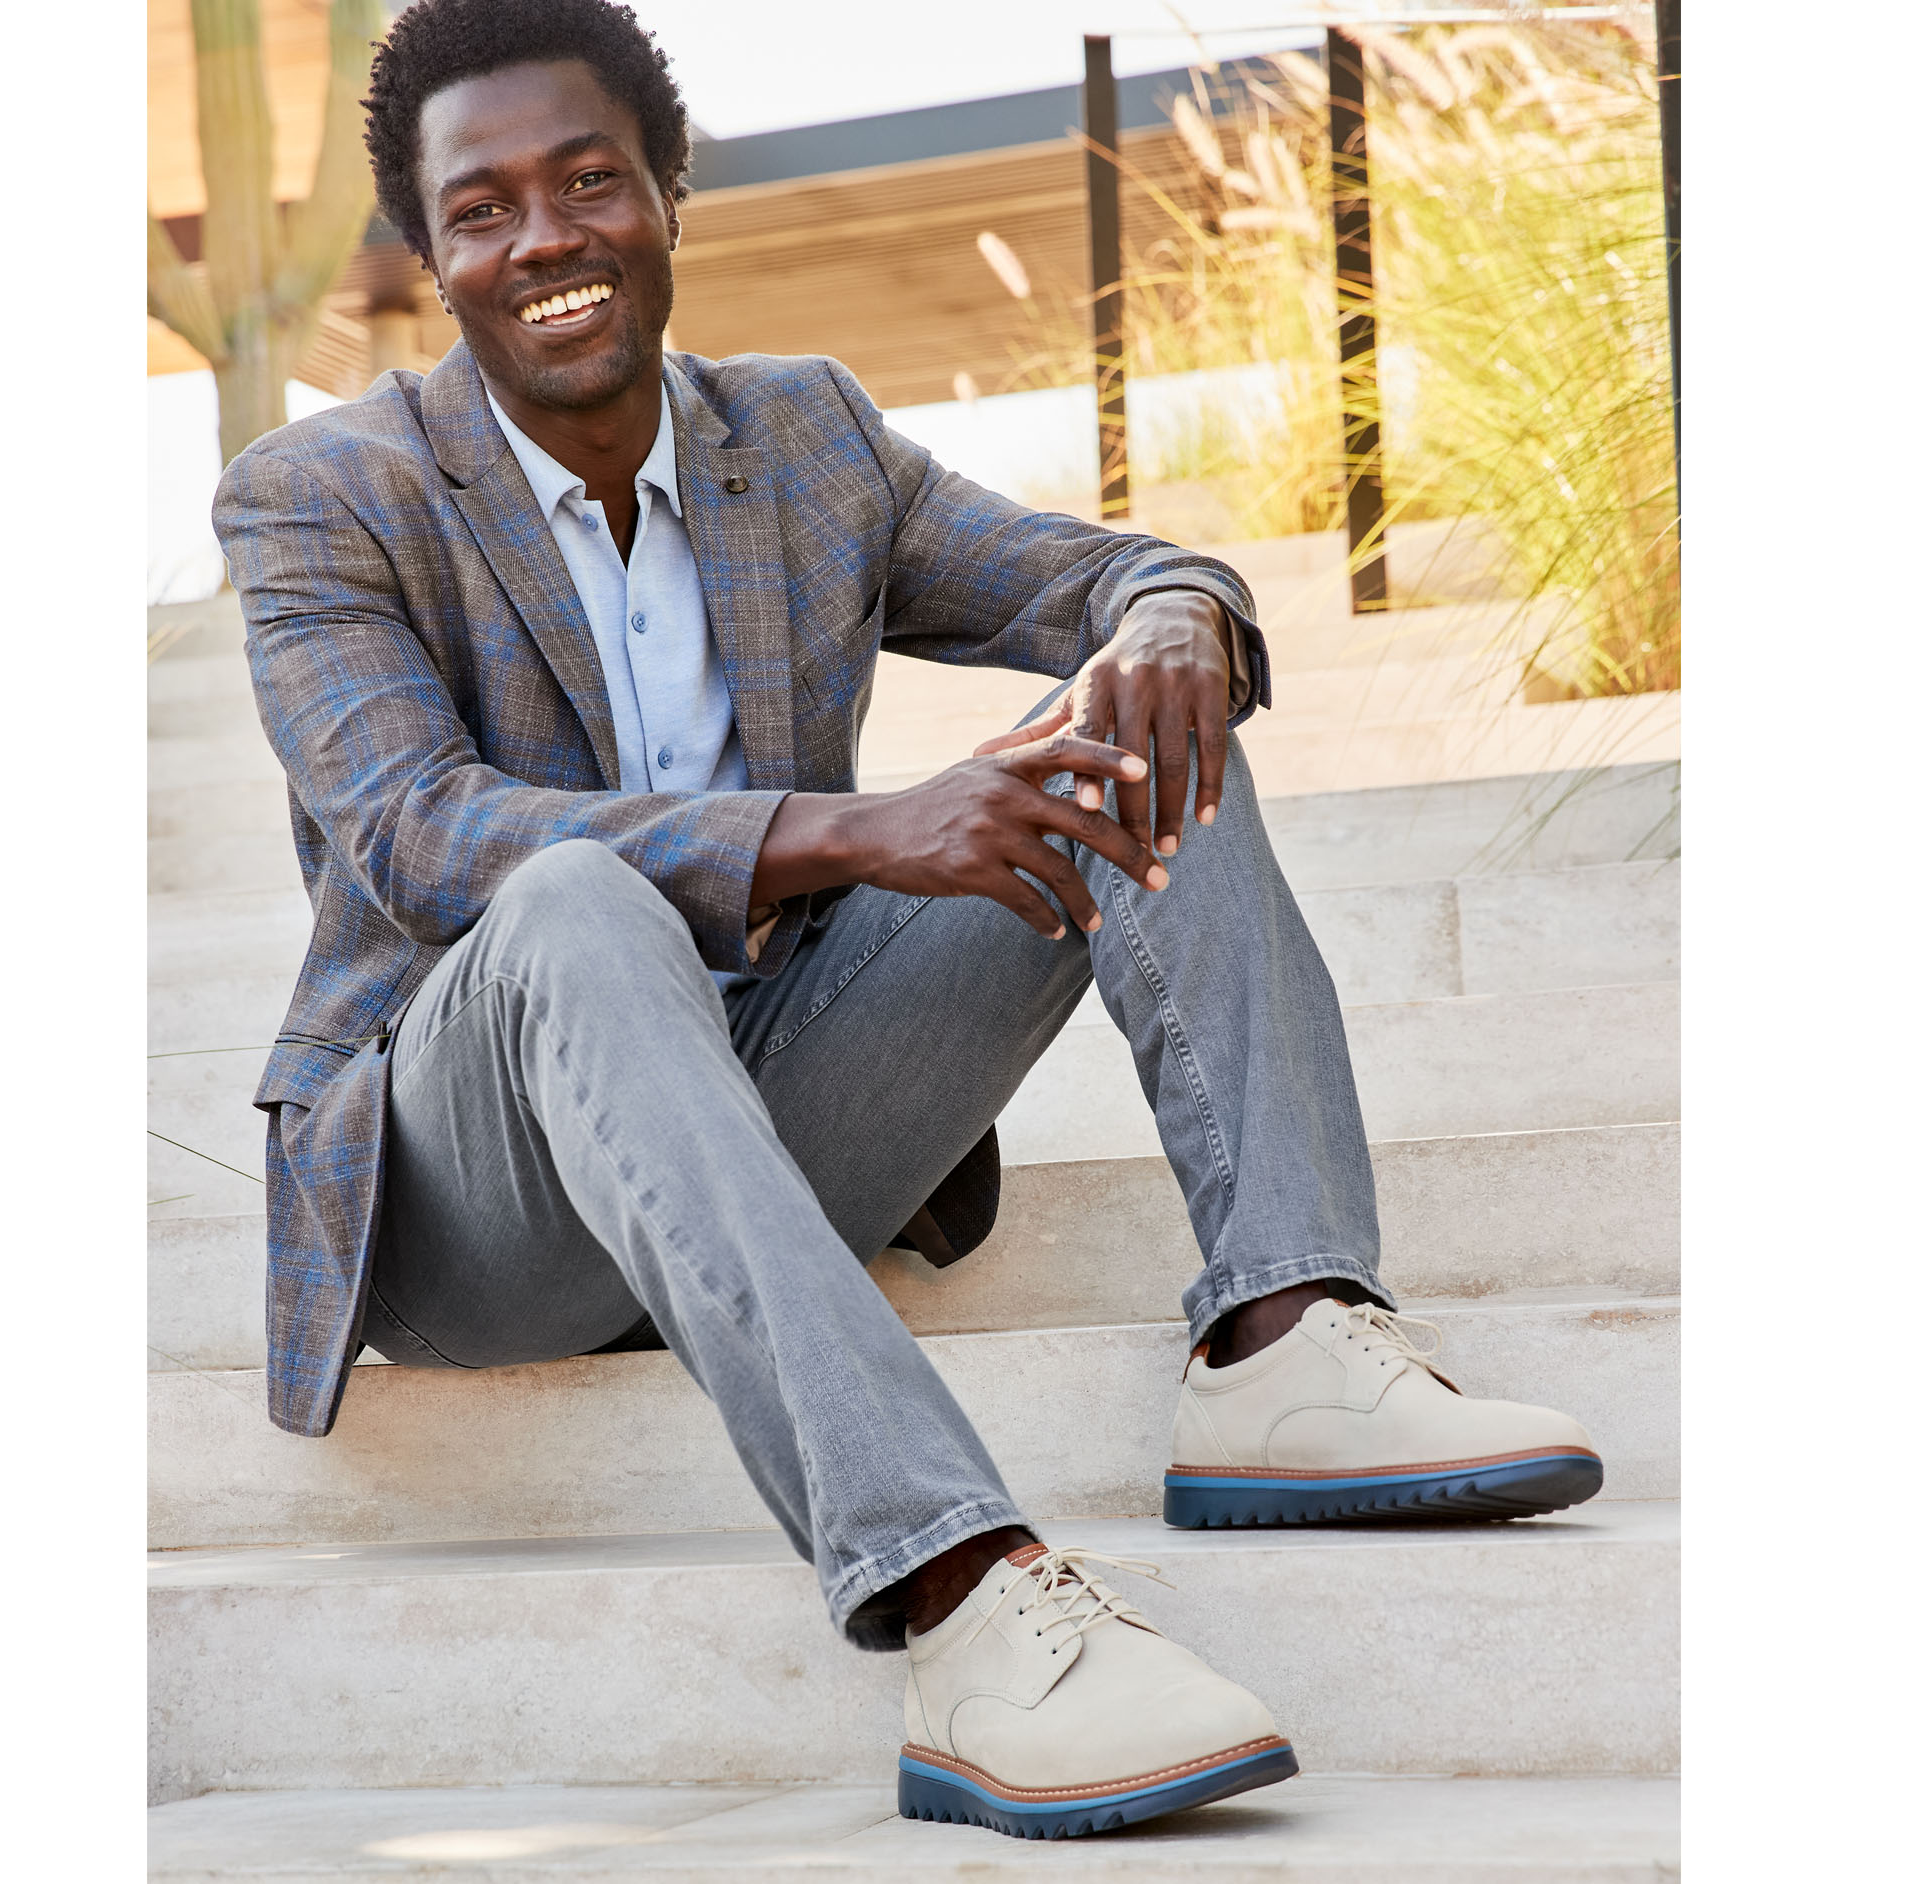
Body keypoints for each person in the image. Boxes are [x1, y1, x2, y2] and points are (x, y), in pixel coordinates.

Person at [212, 0, 1602, 1841]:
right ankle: (960, 1600)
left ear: (669, 194)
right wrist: (860, 831)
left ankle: (1287, 1332)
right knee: (569, 902)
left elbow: (1120, 571)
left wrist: (1172, 622)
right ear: (432, 254)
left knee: (1127, 732)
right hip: (487, 1206)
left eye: (587, 181)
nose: (543, 238)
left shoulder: (804, 438)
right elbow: (421, 834)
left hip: (780, 1111)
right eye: (482, 210)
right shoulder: (323, 496)